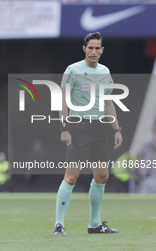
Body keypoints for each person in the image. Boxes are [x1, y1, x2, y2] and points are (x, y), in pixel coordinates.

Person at [54, 32, 123, 235]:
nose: (93, 51)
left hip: (99, 127)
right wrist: (64, 128)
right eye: (90, 48)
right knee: (72, 176)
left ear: (102, 50)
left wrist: (117, 129)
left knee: (102, 176)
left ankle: (94, 224)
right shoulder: (73, 70)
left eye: (97, 48)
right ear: (84, 49)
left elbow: (108, 103)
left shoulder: (104, 71)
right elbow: (62, 100)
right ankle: (59, 224)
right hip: (79, 126)